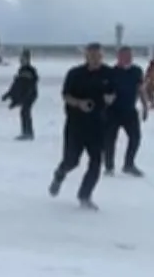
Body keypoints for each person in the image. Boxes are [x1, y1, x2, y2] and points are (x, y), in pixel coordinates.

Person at [49, 42, 116, 210]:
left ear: (102, 56)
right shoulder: (75, 73)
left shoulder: (109, 73)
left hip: (98, 125)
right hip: (76, 125)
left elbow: (113, 93)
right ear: (86, 56)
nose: (95, 59)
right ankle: (60, 173)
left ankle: (84, 196)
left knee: (95, 162)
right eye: (91, 55)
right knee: (72, 160)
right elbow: (65, 95)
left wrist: (110, 98)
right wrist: (79, 103)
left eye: (98, 56)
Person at [103, 46, 146, 177]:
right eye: (124, 56)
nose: (127, 59)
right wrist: (106, 101)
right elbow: (103, 93)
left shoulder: (136, 71)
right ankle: (109, 167)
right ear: (118, 57)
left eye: (129, 56)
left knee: (135, 138)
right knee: (109, 140)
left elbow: (141, 89)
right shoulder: (111, 72)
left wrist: (145, 106)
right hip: (112, 112)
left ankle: (129, 164)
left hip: (129, 110)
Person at [2, 48, 39, 140]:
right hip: (25, 94)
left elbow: (31, 83)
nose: (21, 60)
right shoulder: (21, 70)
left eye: (23, 59)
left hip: (30, 94)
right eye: (21, 58)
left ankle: (28, 133)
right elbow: (17, 85)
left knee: (25, 112)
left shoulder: (30, 70)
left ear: (27, 59)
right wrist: (8, 94)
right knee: (24, 112)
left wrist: (26, 96)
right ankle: (26, 132)